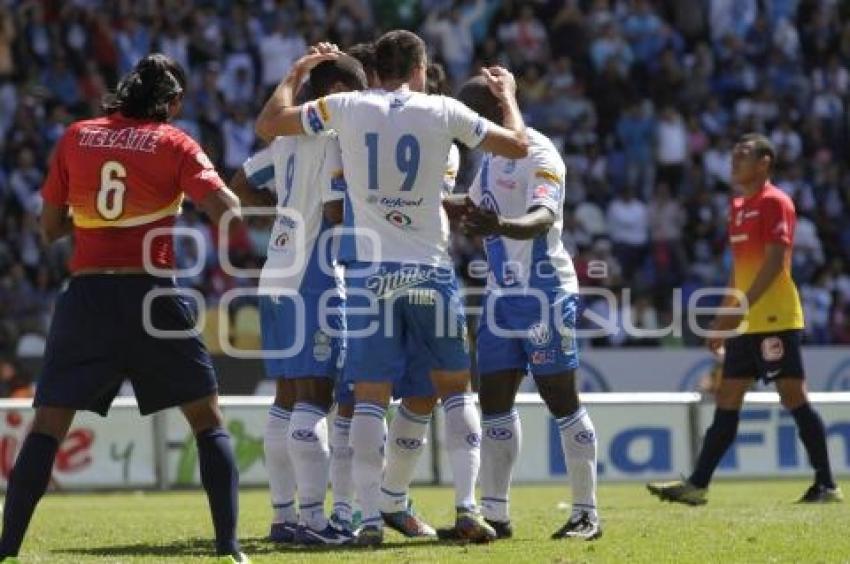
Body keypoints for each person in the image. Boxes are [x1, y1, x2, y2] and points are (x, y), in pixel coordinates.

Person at [255, 31, 529, 546]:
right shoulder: (442, 110)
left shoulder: (346, 106)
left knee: (369, 399)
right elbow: (516, 144)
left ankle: (364, 520)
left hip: (369, 277)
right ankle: (469, 508)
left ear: (375, 69)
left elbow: (270, 125)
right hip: (429, 268)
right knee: (455, 387)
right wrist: (509, 99)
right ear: (420, 68)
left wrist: (295, 75)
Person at [0, 54, 249, 563]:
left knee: (47, 425)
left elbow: (47, 229)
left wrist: (92, 223)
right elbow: (229, 214)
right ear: (173, 102)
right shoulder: (174, 142)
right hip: (153, 297)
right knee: (208, 420)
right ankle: (229, 548)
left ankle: (6, 548)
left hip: (86, 300)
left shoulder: (76, 136)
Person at [647, 134, 843, 505]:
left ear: (764, 163)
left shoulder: (776, 202)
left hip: (775, 317)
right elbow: (738, 272)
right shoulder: (737, 206)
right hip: (746, 321)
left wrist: (739, 310)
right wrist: (724, 321)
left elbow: (775, 263)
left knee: (793, 396)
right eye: (732, 155)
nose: (733, 162)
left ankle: (827, 484)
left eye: (743, 155)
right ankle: (698, 484)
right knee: (728, 396)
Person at [452, 76, 601, 541]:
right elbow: (471, 206)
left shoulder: (540, 153)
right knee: (494, 402)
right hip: (499, 298)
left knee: (561, 401)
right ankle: (496, 514)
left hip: (544, 295)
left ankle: (585, 514)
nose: (469, 130)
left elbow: (544, 218)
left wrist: (501, 224)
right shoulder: (493, 157)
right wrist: (417, 203)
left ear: (491, 116)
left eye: (474, 120)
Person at [240, 55, 368, 545]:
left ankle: (283, 515)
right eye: (355, 94)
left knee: (286, 399)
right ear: (336, 91)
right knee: (316, 398)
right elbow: (335, 211)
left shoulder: (287, 138)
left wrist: (292, 75)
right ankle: (315, 520)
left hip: (274, 274)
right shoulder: (336, 136)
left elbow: (238, 184)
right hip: (315, 274)